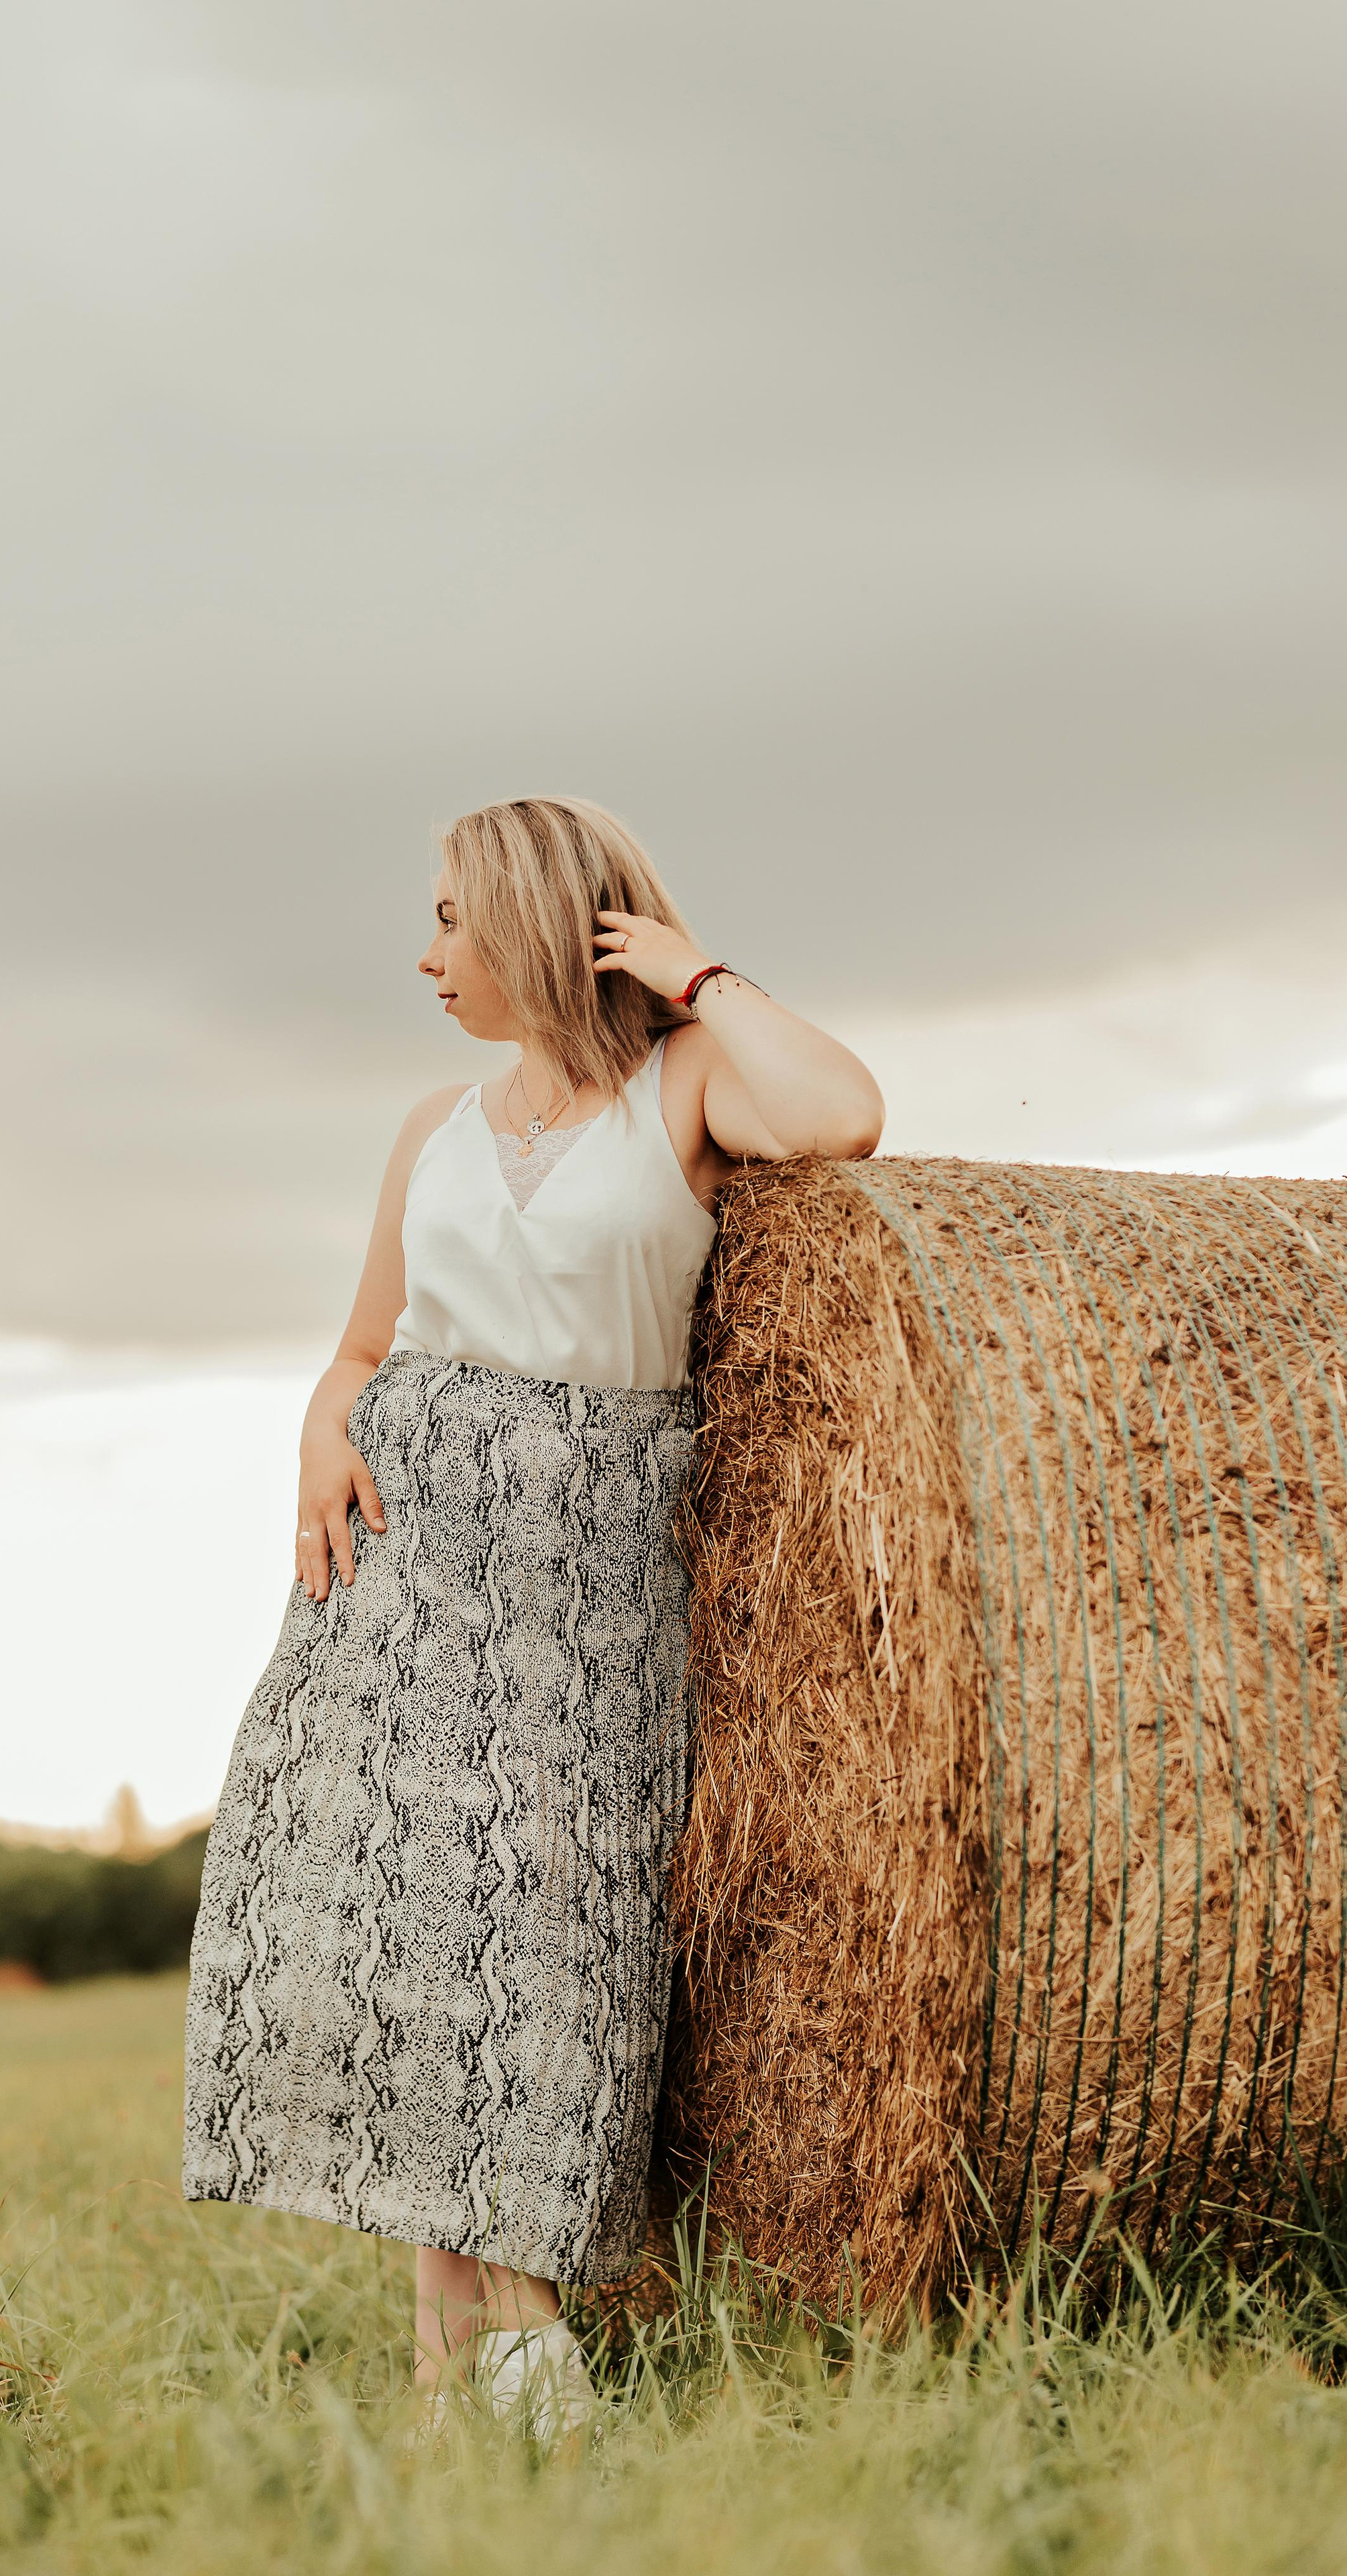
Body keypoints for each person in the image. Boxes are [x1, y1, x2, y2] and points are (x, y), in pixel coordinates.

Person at [183, 796, 881, 2427]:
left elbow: (840, 1117)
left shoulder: (687, 1087)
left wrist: (698, 975)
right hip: (402, 1575)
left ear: (544, 925)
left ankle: (516, 2358)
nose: (425, 956)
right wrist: (316, 1427)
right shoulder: (432, 1120)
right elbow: (364, 1342)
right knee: (411, 1931)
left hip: (583, 1576)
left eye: (452, 921)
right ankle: (475, 2380)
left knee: (558, 1937)